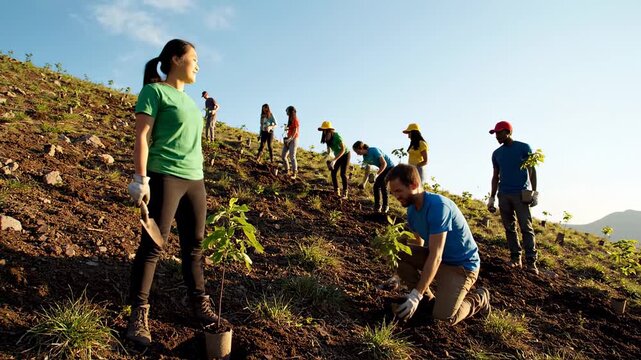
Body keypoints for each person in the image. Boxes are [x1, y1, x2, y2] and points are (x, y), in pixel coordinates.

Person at [126, 39, 220, 347]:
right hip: (165, 176)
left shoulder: (191, 103)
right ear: (177, 59)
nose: (198, 65)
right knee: (153, 246)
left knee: (195, 249)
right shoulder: (154, 91)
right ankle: (139, 312)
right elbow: (142, 135)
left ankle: (200, 305)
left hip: (195, 181)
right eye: (194, 58)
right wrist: (141, 178)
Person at [387, 164, 490, 325]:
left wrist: (414, 296)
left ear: (413, 185)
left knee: (445, 317)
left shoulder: (438, 207)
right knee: (398, 251)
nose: (396, 196)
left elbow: (436, 255)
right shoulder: (412, 211)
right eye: (393, 193)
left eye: (399, 191)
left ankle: (480, 297)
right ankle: (426, 300)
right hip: (438, 258)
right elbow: (417, 243)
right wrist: (398, 272)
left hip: (461, 266)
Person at [487, 121, 539, 274]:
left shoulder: (523, 148)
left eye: (499, 133)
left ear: (508, 132)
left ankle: (531, 262)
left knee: (526, 227)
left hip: (520, 194)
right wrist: (492, 197)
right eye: (495, 133)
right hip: (503, 194)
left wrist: (534, 192)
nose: (496, 136)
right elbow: (495, 176)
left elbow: (532, 170)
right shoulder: (496, 154)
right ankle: (515, 259)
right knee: (509, 228)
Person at [353, 141, 395, 213]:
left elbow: (384, 164)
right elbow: (367, 171)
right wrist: (364, 183)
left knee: (383, 185)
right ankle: (377, 206)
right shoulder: (365, 158)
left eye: (357, 151)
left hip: (389, 167)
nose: (357, 153)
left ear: (361, 148)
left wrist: (377, 175)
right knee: (376, 186)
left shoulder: (374, 150)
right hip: (382, 169)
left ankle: (385, 206)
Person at [319, 121, 350, 198]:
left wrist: (335, 160)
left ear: (329, 129)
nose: (324, 131)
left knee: (343, 174)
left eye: (325, 129)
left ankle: (345, 193)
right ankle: (336, 192)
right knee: (333, 173)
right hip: (337, 156)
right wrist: (328, 158)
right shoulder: (326, 138)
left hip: (345, 154)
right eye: (323, 130)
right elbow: (329, 151)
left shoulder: (337, 136)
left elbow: (343, 149)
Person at [281, 106, 299, 179]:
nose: (286, 112)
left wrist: (290, 139)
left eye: (287, 111)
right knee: (283, 156)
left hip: (294, 139)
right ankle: (287, 170)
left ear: (291, 111)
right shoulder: (290, 119)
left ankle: (294, 173)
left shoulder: (295, 119)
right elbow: (291, 129)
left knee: (292, 156)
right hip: (288, 139)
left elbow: (295, 131)